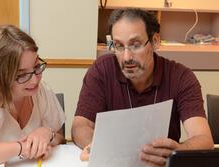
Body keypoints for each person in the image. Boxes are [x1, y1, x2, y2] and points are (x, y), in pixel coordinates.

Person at [71, 8, 214, 167]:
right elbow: (80, 126)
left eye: (135, 45)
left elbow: (203, 138)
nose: (126, 57)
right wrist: (99, 148)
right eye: (118, 46)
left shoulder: (181, 77)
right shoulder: (102, 70)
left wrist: (178, 151)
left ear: (155, 42)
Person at [0, 25, 65, 166]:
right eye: (22, 75)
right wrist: (22, 148)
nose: (35, 80)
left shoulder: (41, 90)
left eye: (37, 66)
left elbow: (60, 138)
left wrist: (48, 134)